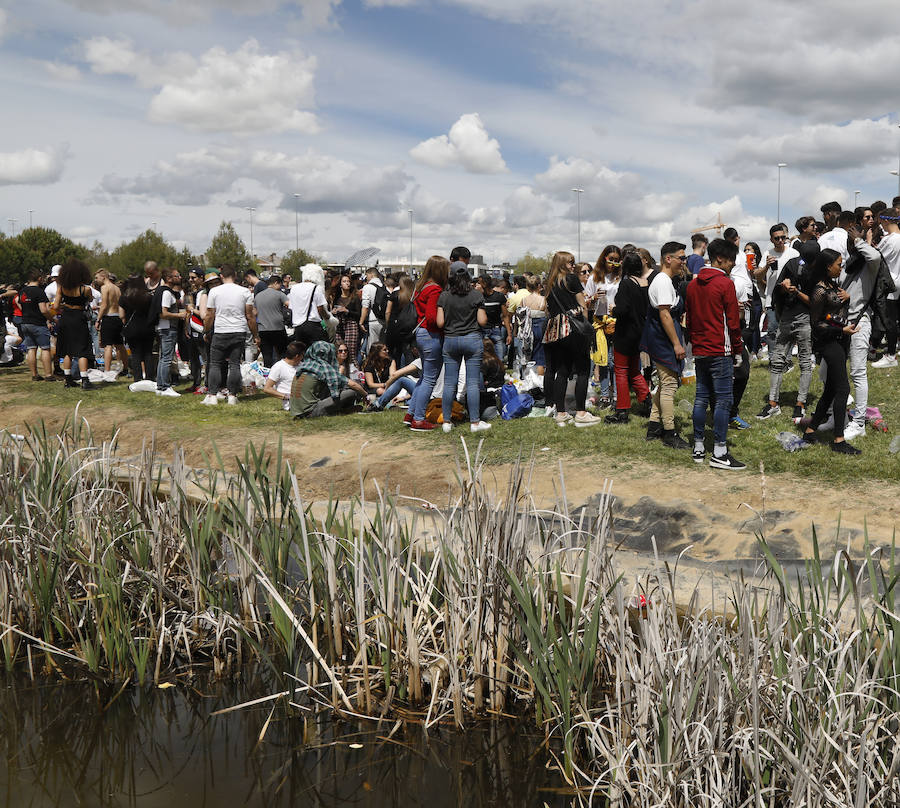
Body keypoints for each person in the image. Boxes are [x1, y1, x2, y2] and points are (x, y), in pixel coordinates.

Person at [685, 237, 745, 470]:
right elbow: (732, 322)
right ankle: (720, 451)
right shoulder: (725, 284)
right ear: (720, 258)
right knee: (723, 400)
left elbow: (689, 319)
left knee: (701, 398)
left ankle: (699, 446)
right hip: (721, 349)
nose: (732, 265)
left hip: (700, 349)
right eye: (731, 261)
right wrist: (738, 350)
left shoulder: (692, 285)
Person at [800, 249, 861, 455]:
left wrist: (848, 297)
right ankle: (838, 440)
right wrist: (840, 329)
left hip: (840, 340)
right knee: (843, 389)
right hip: (828, 343)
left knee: (832, 390)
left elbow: (836, 311)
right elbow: (816, 324)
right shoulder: (819, 290)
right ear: (828, 266)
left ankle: (809, 431)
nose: (841, 267)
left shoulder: (834, 285)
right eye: (838, 264)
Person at [759, 240, 818, 422]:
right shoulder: (792, 264)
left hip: (805, 319)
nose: (805, 264)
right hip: (787, 318)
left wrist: (796, 292)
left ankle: (800, 404)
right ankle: (773, 403)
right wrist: (784, 289)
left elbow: (817, 302)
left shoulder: (820, 270)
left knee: (805, 362)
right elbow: (777, 291)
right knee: (777, 361)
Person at [541, 251, 602, 427]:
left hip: (557, 332)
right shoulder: (572, 279)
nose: (572, 266)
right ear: (561, 264)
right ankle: (581, 413)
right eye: (570, 262)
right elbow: (582, 305)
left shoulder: (550, 283)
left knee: (562, 370)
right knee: (583, 370)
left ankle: (561, 413)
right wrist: (586, 325)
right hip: (574, 330)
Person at [641, 242, 689, 449]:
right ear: (668, 259)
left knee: (665, 384)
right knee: (669, 385)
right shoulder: (661, 281)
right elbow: (664, 314)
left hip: (662, 338)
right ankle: (670, 433)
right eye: (681, 258)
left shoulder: (666, 280)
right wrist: (677, 344)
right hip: (662, 339)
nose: (684, 262)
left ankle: (654, 427)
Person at [435, 263, 492, 433]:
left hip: (451, 340)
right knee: (473, 383)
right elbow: (482, 321)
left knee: (449, 383)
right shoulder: (476, 295)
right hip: (472, 339)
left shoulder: (444, 296)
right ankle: (475, 422)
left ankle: (446, 421)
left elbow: (440, 322)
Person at [202, 264, 258, 406]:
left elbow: (209, 315)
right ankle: (232, 396)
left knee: (215, 363)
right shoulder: (245, 292)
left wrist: (206, 331)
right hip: (238, 330)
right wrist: (255, 335)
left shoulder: (214, 292)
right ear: (235, 275)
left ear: (221, 277)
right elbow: (250, 316)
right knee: (234, 364)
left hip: (221, 330)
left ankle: (213, 395)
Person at [604, 252, 650, 424]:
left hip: (625, 333)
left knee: (621, 371)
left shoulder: (626, 284)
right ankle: (647, 400)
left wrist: (612, 309)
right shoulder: (645, 283)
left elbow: (622, 310)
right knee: (634, 371)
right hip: (639, 332)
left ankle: (622, 410)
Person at [407, 255, 450, 432]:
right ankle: (418, 419)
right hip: (431, 335)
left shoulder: (421, 287)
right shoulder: (435, 290)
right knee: (429, 379)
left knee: (424, 377)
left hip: (421, 334)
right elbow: (433, 318)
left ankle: (411, 414)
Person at [290, 340, 366, 418]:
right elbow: (353, 384)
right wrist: (365, 395)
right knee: (351, 392)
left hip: (296, 412)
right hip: (310, 412)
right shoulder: (323, 367)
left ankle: (342, 410)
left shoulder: (304, 366)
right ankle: (341, 410)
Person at [755, 224, 799, 355]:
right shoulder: (767, 254)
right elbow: (757, 276)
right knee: (772, 330)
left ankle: (787, 359)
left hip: (789, 298)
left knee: (789, 330)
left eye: (783, 238)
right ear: (771, 240)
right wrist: (766, 266)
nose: (780, 241)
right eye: (777, 238)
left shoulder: (794, 253)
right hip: (772, 299)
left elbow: (801, 272)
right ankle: (774, 360)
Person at [52, 258, 96, 390]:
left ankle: (68, 379)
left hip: (65, 318)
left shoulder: (62, 288)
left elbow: (55, 305)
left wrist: (66, 305)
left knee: (67, 350)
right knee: (82, 349)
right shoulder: (86, 289)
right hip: (79, 318)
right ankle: (85, 380)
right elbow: (90, 300)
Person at [155, 267, 189, 397]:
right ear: (169, 278)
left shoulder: (163, 291)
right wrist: (179, 316)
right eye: (177, 275)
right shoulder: (167, 293)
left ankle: (160, 385)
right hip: (168, 328)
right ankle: (164, 387)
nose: (180, 278)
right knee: (167, 358)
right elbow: (163, 313)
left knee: (164, 357)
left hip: (165, 328)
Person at [873, 207, 900, 368]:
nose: (880, 225)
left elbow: (874, 257)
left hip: (889, 283)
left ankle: (890, 355)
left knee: (889, 321)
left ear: (887, 220)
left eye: (881, 221)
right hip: (897, 282)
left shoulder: (889, 240)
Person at [18, 269, 55, 381]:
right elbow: (43, 310)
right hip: (38, 323)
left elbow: (19, 304)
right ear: (39, 278)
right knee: (45, 349)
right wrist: (51, 319)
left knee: (31, 349)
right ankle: (48, 375)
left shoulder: (23, 291)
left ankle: (35, 375)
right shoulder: (39, 292)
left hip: (25, 322)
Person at [96, 269, 127, 377]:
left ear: (103, 277)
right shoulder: (117, 289)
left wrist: (98, 319)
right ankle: (126, 368)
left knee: (107, 346)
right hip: (118, 317)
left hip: (109, 318)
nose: (96, 280)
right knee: (120, 345)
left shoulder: (105, 287)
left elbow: (104, 305)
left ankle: (107, 371)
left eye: (97, 277)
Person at [288, 266, 329, 346]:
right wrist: (327, 317)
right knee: (317, 351)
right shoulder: (316, 288)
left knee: (301, 352)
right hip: (312, 325)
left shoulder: (294, 288)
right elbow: (320, 309)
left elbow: (292, 307)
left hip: (298, 327)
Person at [254, 274, 289, 368]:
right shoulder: (280, 294)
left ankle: (267, 377)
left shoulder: (258, 296)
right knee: (282, 354)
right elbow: (288, 304)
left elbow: (254, 312)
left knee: (267, 356)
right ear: (276, 283)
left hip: (263, 329)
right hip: (278, 328)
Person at [263, 341, 305, 410]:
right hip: (293, 404)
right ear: (297, 356)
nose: (303, 357)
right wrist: (286, 397)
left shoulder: (302, 365)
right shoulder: (279, 367)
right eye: (302, 355)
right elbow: (267, 389)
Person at [330, 274, 362, 361]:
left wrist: (347, 311)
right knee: (339, 351)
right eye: (344, 281)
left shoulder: (354, 297)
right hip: (339, 325)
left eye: (348, 281)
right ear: (340, 284)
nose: (347, 283)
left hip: (351, 325)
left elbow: (359, 314)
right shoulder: (336, 298)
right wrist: (333, 312)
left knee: (351, 353)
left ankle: (353, 371)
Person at [359, 267, 387, 349]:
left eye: (367, 275)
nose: (366, 278)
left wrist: (361, 322)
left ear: (371, 275)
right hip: (384, 321)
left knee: (372, 348)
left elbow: (365, 307)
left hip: (373, 320)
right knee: (382, 348)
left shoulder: (367, 287)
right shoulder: (384, 286)